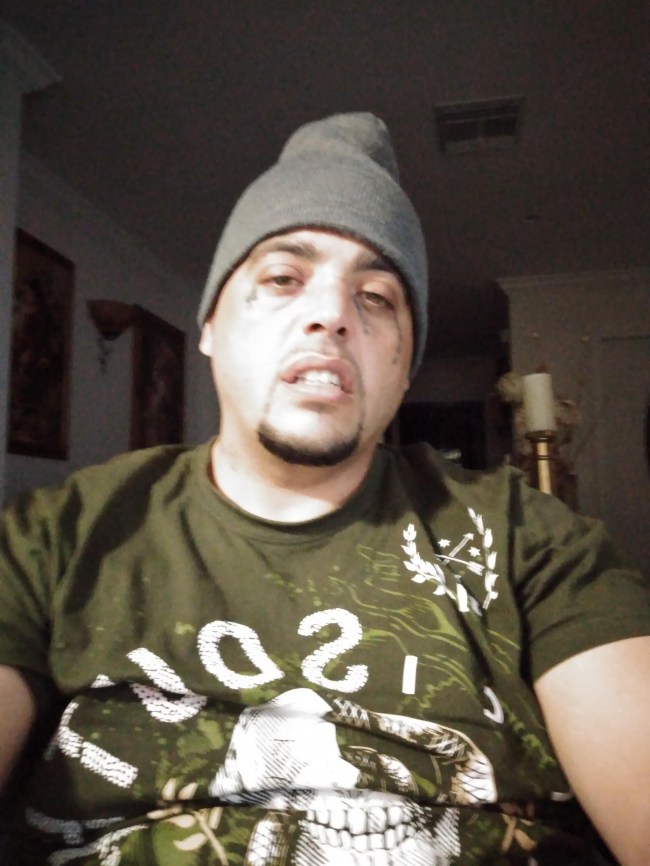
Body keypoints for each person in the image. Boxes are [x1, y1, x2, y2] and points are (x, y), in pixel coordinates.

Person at [0, 112, 648, 866]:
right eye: (283, 278)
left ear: (404, 369)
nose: (332, 314)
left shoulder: (528, 539)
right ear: (209, 326)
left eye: (376, 298)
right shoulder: (58, 536)